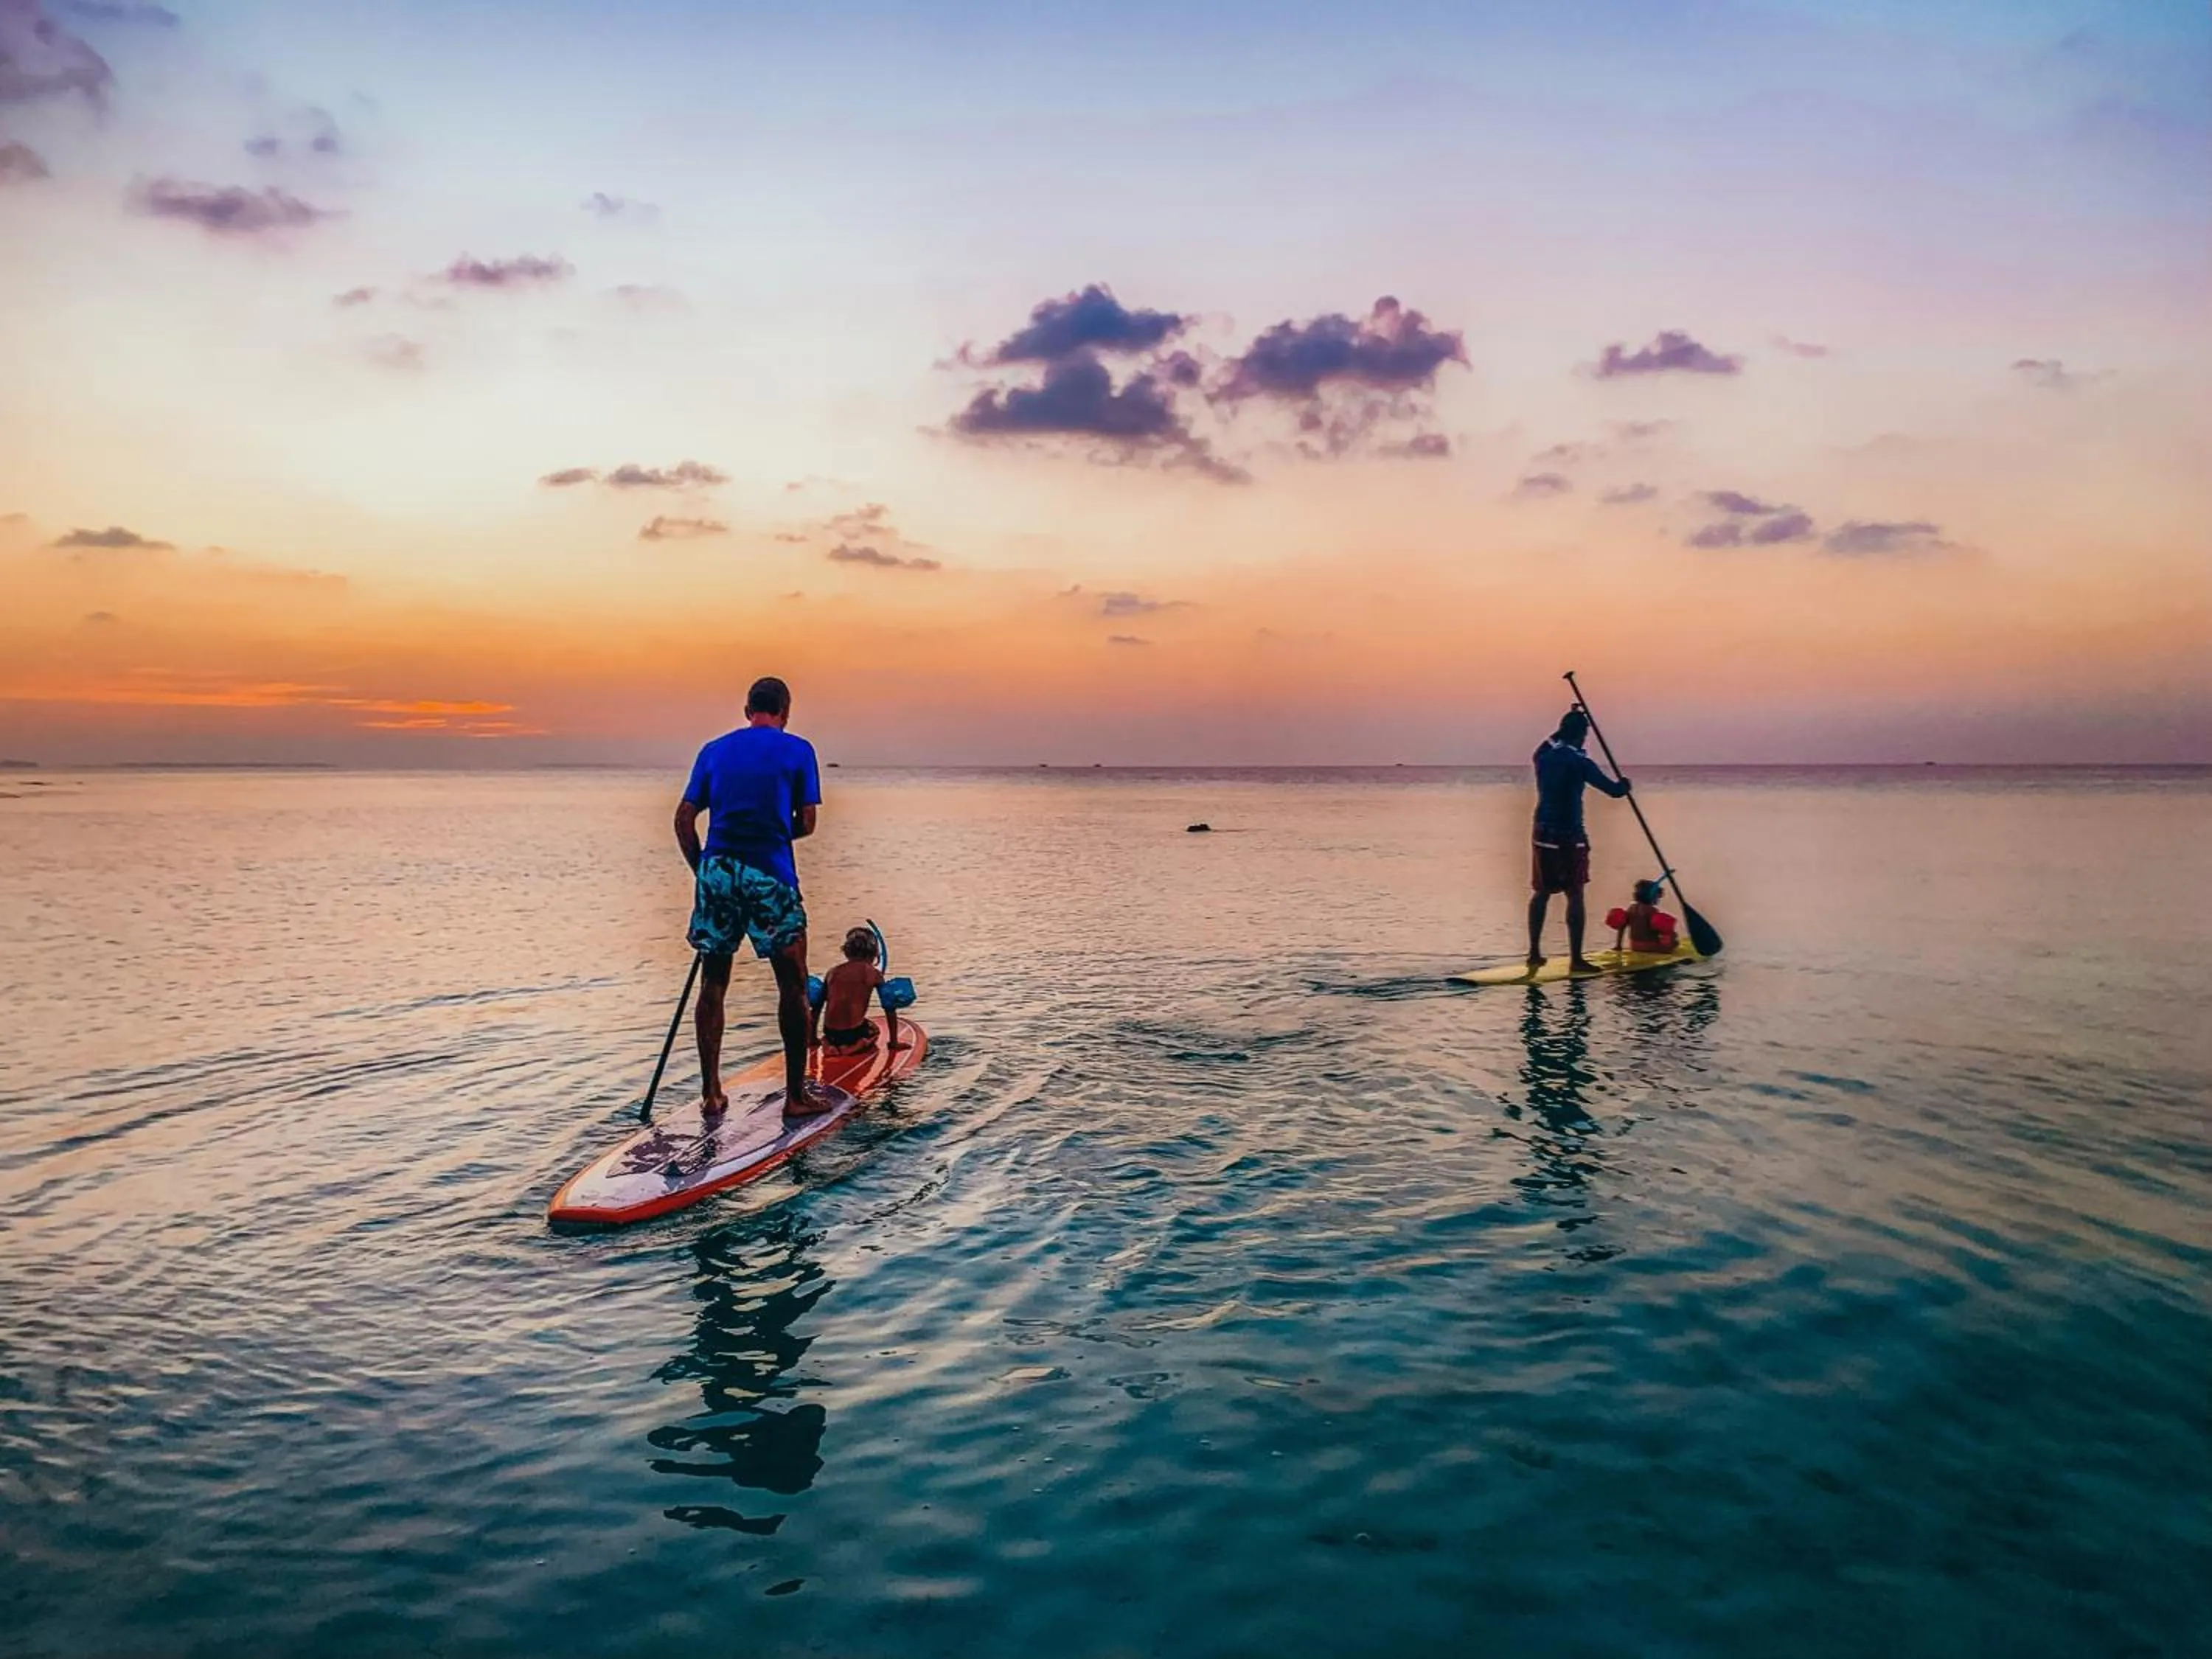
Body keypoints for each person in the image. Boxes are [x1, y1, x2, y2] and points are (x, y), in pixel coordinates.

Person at [673, 675, 829, 1117]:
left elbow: (684, 819)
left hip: (717, 870)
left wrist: (704, 871)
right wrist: (776, 832)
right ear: (786, 711)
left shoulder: (713, 750)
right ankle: (796, 1097)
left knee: (714, 982)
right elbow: (807, 822)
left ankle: (711, 1094)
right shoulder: (799, 750)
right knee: (792, 983)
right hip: (769, 871)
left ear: (747, 710)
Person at [1527, 707, 1631, 974]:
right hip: (1569, 833)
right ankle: (1576, 959)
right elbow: (1613, 791)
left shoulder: (1543, 756)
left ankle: (1535, 954)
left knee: (1542, 892)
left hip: (1541, 831)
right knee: (1575, 893)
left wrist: (1571, 717)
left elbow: (1550, 740)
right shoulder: (1580, 763)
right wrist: (1625, 786)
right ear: (1582, 735)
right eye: (1585, 734)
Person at [812, 926, 912, 1054]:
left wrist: (812, 1039)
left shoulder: (832, 972)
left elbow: (816, 1007)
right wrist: (894, 1043)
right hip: (853, 1034)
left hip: (830, 1033)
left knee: (838, 1032)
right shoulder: (872, 974)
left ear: (847, 952)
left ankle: (831, 1045)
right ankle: (851, 1047)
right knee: (874, 1030)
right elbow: (889, 1008)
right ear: (873, 953)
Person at [1605, 878, 1680, 955]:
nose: (1658, 899)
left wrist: (1618, 946)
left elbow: (1622, 927)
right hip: (1651, 947)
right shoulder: (1652, 911)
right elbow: (1660, 930)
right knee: (1674, 937)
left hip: (1634, 946)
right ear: (1653, 896)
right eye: (1658, 897)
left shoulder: (1631, 909)